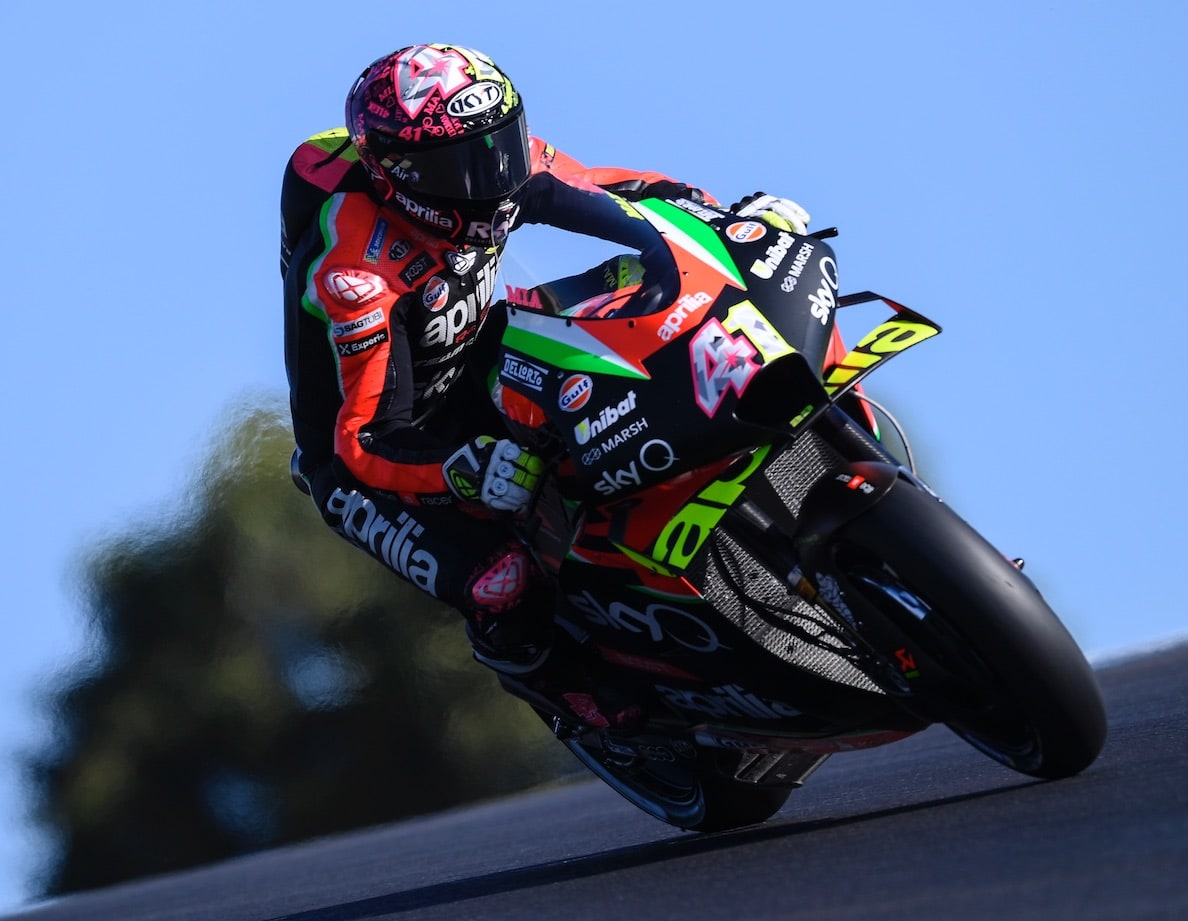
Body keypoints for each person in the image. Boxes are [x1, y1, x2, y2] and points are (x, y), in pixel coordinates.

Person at [281, 43, 811, 728]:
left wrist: (726, 223)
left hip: (475, 355)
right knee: (501, 582)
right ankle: (576, 699)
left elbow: (624, 196)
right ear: (399, 177)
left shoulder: (503, 168)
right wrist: (461, 468)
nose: (496, 175)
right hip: (377, 460)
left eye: (501, 145)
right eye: (462, 165)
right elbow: (364, 439)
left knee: (632, 294)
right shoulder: (356, 272)